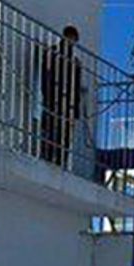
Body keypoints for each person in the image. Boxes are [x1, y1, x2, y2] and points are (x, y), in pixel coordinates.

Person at [39, 25, 84, 168]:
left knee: (64, 133)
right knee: (51, 128)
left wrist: (76, 107)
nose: (72, 41)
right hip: (54, 98)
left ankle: (59, 160)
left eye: (74, 39)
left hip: (66, 102)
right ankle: (48, 156)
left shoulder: (74, 61)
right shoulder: (53, 53)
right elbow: (46, 75)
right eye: (71, 38)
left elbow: (76, 85)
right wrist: (47, 94)